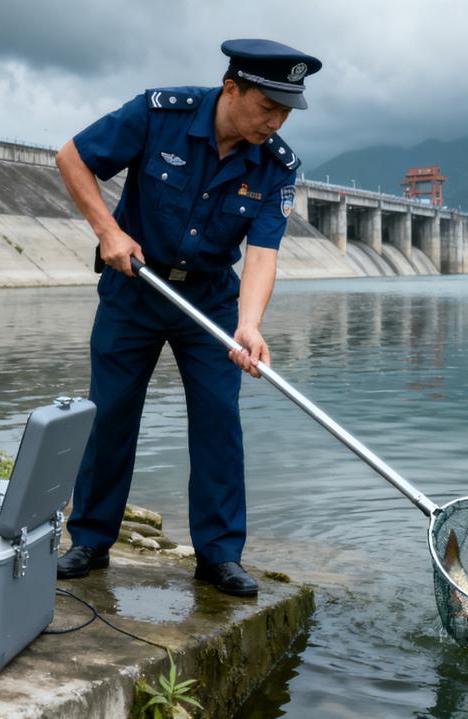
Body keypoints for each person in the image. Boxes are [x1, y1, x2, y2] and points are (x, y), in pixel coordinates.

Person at [54, 39, 322, 596]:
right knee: (111, 414)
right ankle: (91, 540)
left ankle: (219, 557)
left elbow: (263, 254)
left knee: (219, 419)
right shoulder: (159, 114)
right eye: (267, 106)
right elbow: (72, 158)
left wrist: (249, 324)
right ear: (231, 89)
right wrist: (109, 231)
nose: (275, 122)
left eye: (285, 111)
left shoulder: (276, 165)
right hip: (135, 286)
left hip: (211, 302)